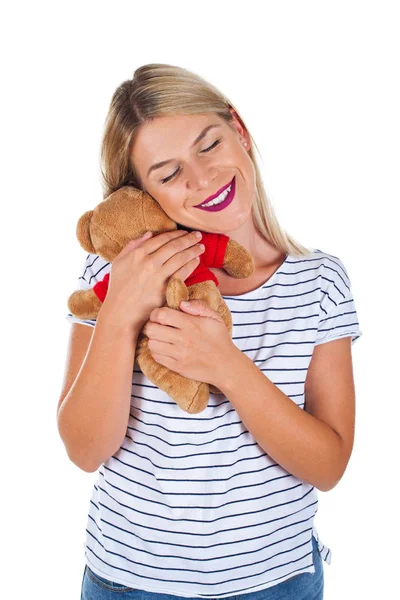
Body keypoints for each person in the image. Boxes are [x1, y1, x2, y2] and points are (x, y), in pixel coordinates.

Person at [58, 63, 362, 600]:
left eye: (209, 144)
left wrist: (226, 366)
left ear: (239, 130)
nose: (202, 178)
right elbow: (85, 450)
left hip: (277, 582)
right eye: (168, 174)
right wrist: (121, 311)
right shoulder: (112, 274)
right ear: (141, 195)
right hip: (128, 582)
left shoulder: (319, 281)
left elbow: (328, 465)